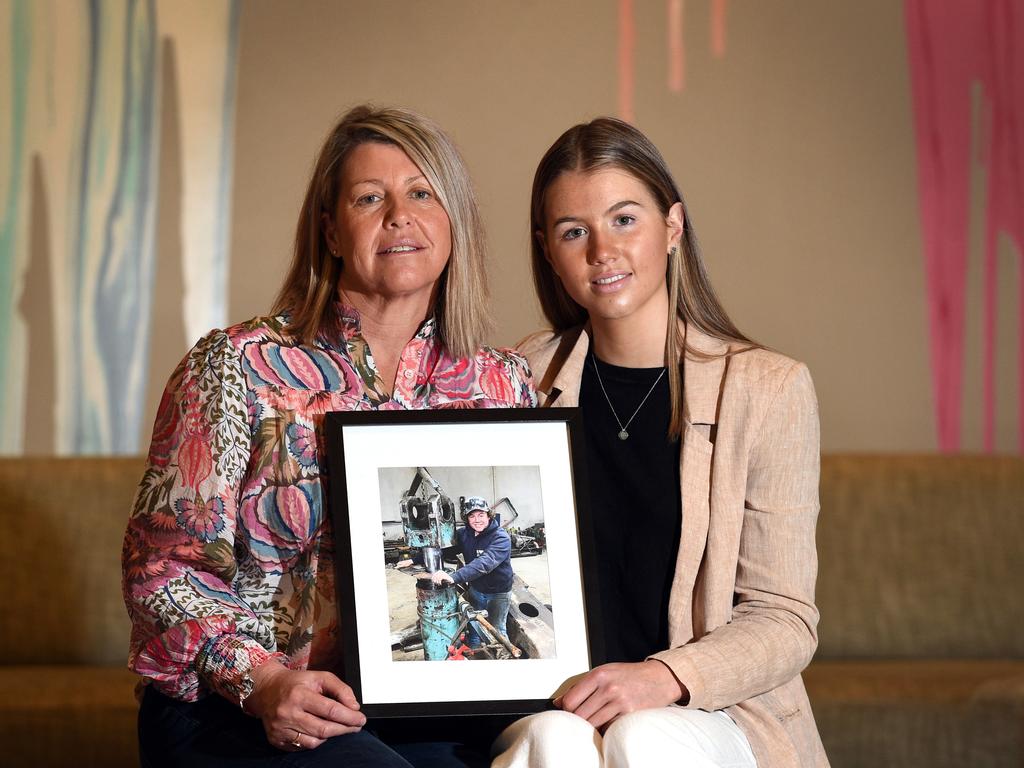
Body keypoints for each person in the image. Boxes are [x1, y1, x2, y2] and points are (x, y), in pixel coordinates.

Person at [122, 105, 535, 768]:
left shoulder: (503, 383)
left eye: (422, 194)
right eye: (370, 198)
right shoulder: (235, 366)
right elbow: (162, 569)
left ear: (453, 222)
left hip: (422, 700)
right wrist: (261, 680)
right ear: (331, 231)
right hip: (241, 710)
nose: (398, 214)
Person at [493, 118, 827, 767]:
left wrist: (661, 678)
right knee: (551, 740)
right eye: (573, 232)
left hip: (714, 713)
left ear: (672, 227)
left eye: (624, 220)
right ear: (548, 250)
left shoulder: (769, 389)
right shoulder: (513, 379)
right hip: (557, 707)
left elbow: (784, 619)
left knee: (643, 736)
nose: (601, 251)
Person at [431, 496, 514, 649]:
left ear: (489, 515)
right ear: (467, 519)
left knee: (497, 629)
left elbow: (484, 563)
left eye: (481, 515)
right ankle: (476, 652)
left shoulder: (501, 537)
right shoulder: (464, 534)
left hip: (499, 593)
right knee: (474, 625)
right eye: (472, 516)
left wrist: (453, 577)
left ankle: (503, 657)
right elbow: (445, 550)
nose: (477, 520)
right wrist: (415, 560)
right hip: (476, 589)